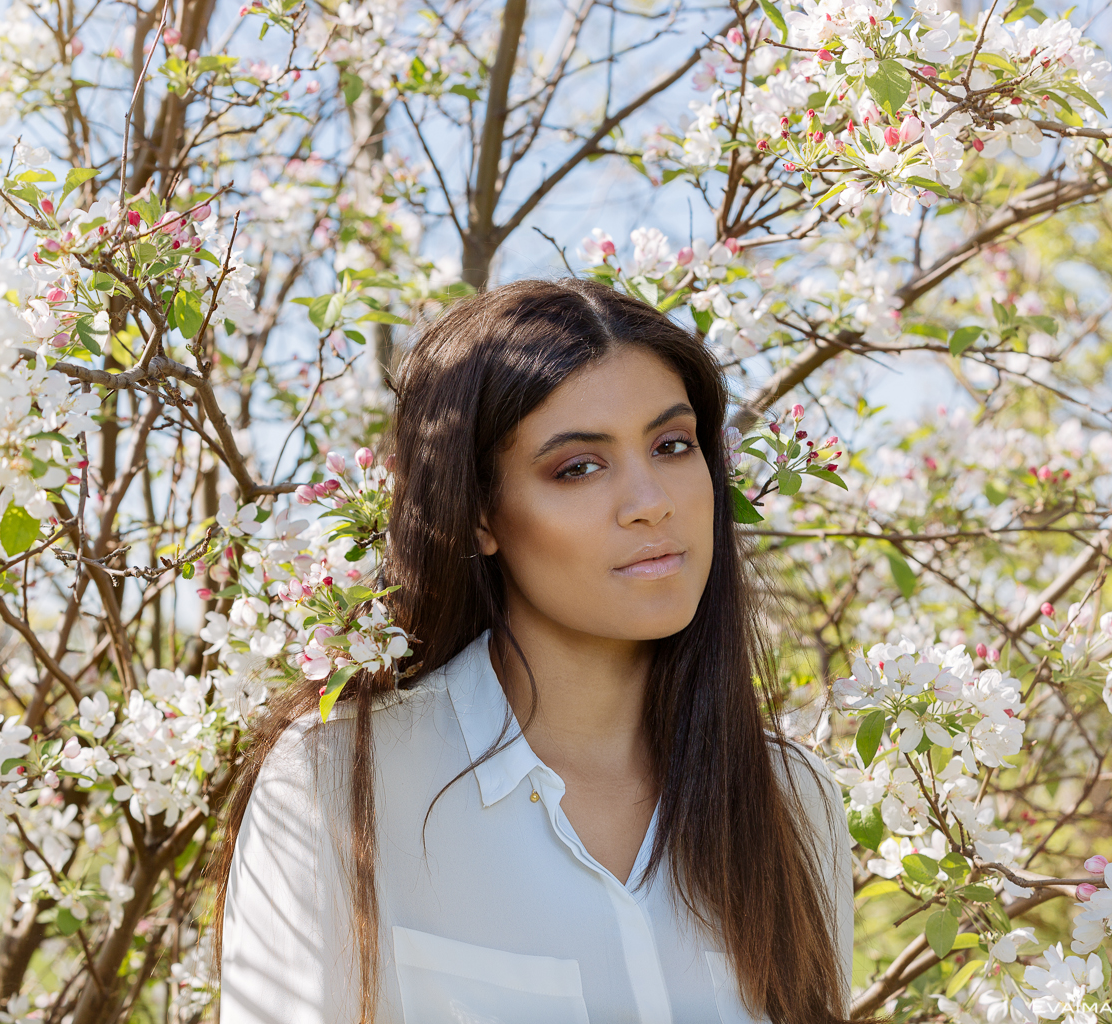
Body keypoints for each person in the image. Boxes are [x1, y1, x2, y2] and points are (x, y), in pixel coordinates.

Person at [211, 277, 858, 1024]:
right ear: (481, 513)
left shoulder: (792, 801)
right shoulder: (337, 783)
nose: (652, 499)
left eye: (673, 445)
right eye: (578, 466)